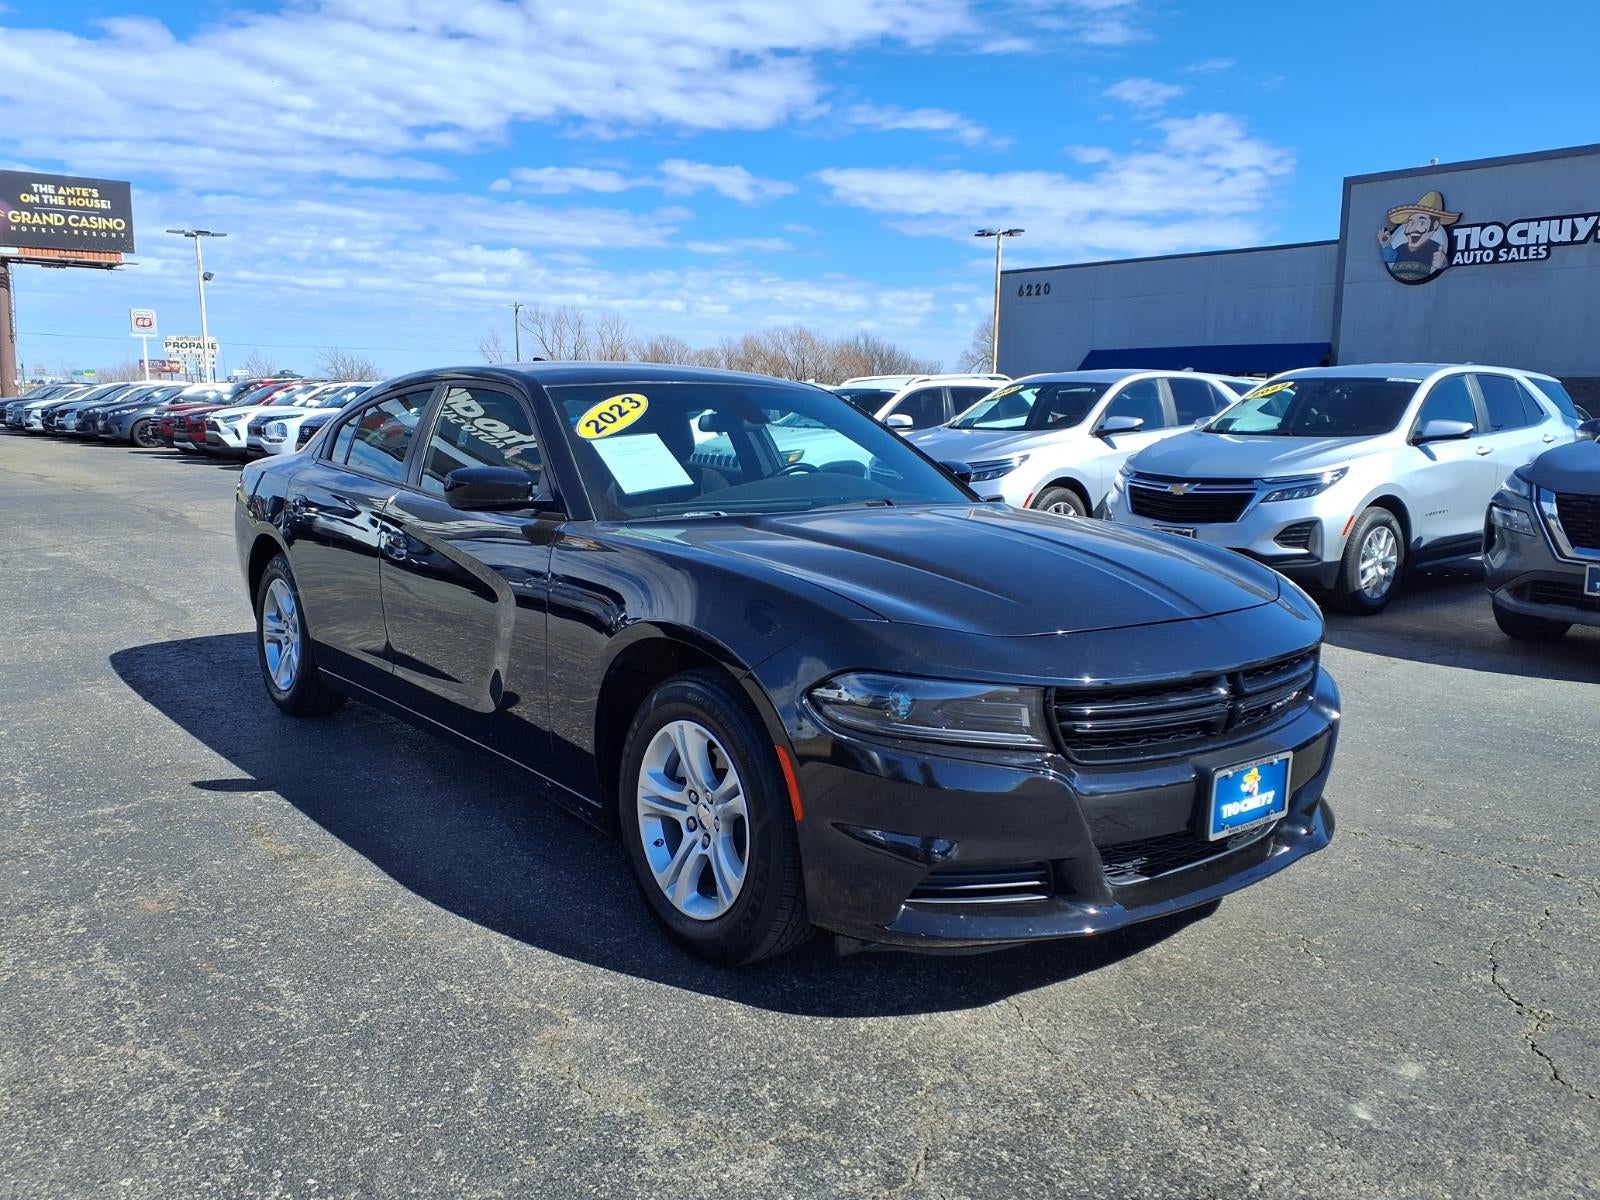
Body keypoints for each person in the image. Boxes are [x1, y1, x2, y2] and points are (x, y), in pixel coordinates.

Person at [1379, 191, 1459, 283]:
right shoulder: (1401, 248)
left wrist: (1442, 263)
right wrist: (1386, 244)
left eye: (1421, 222)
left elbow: (1441, 262)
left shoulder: (1435, 249)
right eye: (1410, 223)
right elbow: (1390, 258)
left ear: (1435, 225)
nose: (1413, 228)